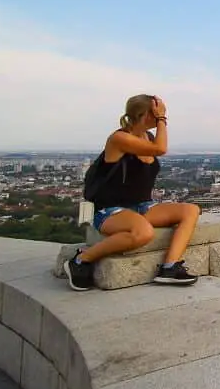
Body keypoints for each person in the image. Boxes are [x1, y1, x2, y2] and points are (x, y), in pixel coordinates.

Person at [63, 94, 200, 291]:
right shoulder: (119, 139)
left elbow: (156, 147)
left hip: (142, 206)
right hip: (109, 210)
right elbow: (161, 149)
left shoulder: (149, 138)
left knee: (190, 210)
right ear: (143, 115)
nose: (162, 116)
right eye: (157, 112)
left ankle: (170, 267)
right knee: (143, 232)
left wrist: (159, 118)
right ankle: (81, 259)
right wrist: (162, 119)